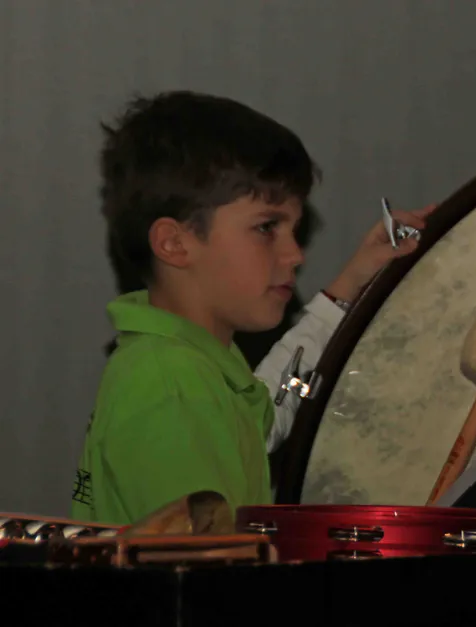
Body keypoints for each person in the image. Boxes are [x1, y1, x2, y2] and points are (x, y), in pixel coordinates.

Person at [70, 91, 434, 525]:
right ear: (174, 243)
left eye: (294, 230)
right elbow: (201, 558)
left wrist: (348, 288)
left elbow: (270, 412)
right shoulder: (169, 384)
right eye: (267, 227)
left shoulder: (195, 364)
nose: (295, 254)